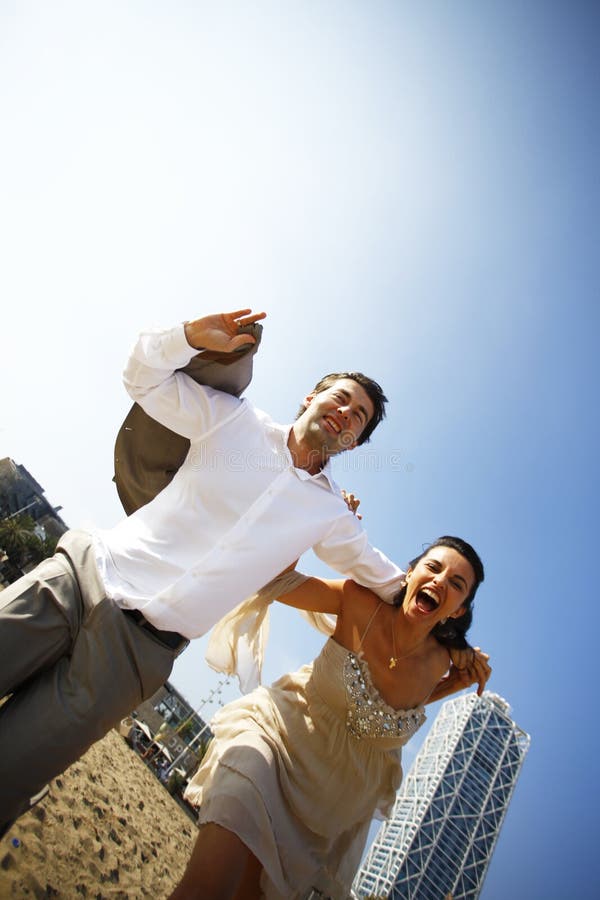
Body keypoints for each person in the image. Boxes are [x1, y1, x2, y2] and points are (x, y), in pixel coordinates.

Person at [0, 308, 410, 827]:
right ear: (311, 397)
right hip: (83, 578)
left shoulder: (331, 515)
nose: (346, 413)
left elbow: (393, 583)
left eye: (359, 417)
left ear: (354, 442)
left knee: (11, 772)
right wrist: (187, 337)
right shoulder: (234, 419)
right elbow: (142, 379)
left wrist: (450, 625)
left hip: (134, 657)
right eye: (342, 398)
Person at [171, 536, 490, 900]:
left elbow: (392, 710)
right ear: (410, 573)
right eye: (434, 568)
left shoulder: (439, 664)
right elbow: (277, 583)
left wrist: (456, 683)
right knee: (207, 888)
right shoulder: (358, 600)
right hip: (276, 742)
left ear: (458, 611)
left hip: (331, 809)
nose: (440, 581)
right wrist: (312, 521)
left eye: (456, 584)